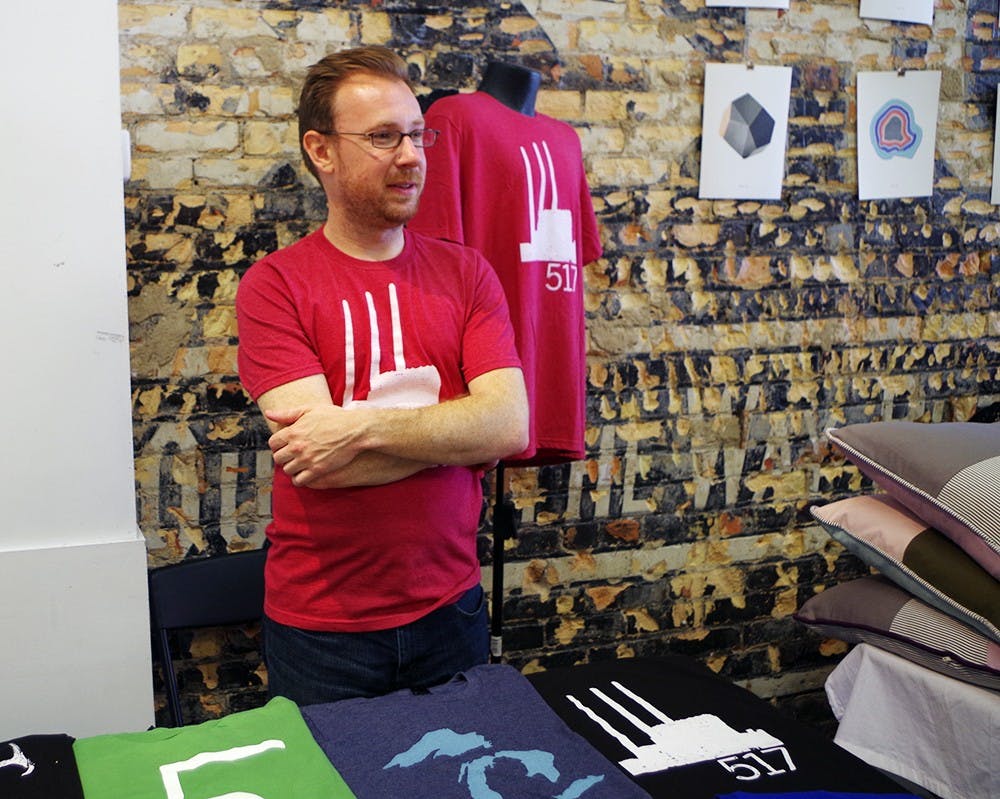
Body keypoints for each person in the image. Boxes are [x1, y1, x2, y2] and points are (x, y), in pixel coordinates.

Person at [235, 45, 529, 706]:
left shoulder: (468, 274)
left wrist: (361, 424)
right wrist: (455, 432)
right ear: (322, 150)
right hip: (323, 631)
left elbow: (508, 424)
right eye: (381, 137)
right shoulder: (275, 286)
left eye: (417, 134)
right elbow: (318, 460)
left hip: (452, 611)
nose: (410, 155)